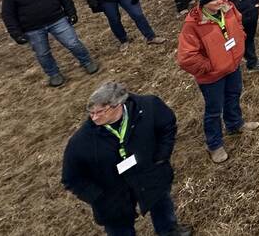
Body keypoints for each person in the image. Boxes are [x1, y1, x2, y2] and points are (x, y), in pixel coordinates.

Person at [62, 82, 192, 236]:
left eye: (100, 112)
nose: (94, 117)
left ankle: (169, 230)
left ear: (118, 105)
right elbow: (71, 178)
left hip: (150, 174)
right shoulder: (80, 142)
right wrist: (99, 197)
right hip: (112, 194)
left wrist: (161, 155)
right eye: (91, 113)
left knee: (161, 202)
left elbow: (167, 126)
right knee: (118, 227)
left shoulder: (149, 107)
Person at [176, 0, 259, 162]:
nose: (220, 0)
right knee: (214, 110)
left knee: (233, 95)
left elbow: (238, 22)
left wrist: (240, 40)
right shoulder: (193, 24)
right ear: (204, 3)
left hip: (233, 65)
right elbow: (186, 57)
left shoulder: (228, 8)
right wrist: (210, 66)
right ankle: (214, 144)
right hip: (212, 77)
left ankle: (235, 124)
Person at [1, 0, 99, 86]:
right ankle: (54, 74)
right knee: (42, 53)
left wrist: (71, 13)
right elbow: (9, 16)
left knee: (73, 43)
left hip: (58, 20)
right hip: (32, 29)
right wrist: (16, 34)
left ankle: (87, 62)